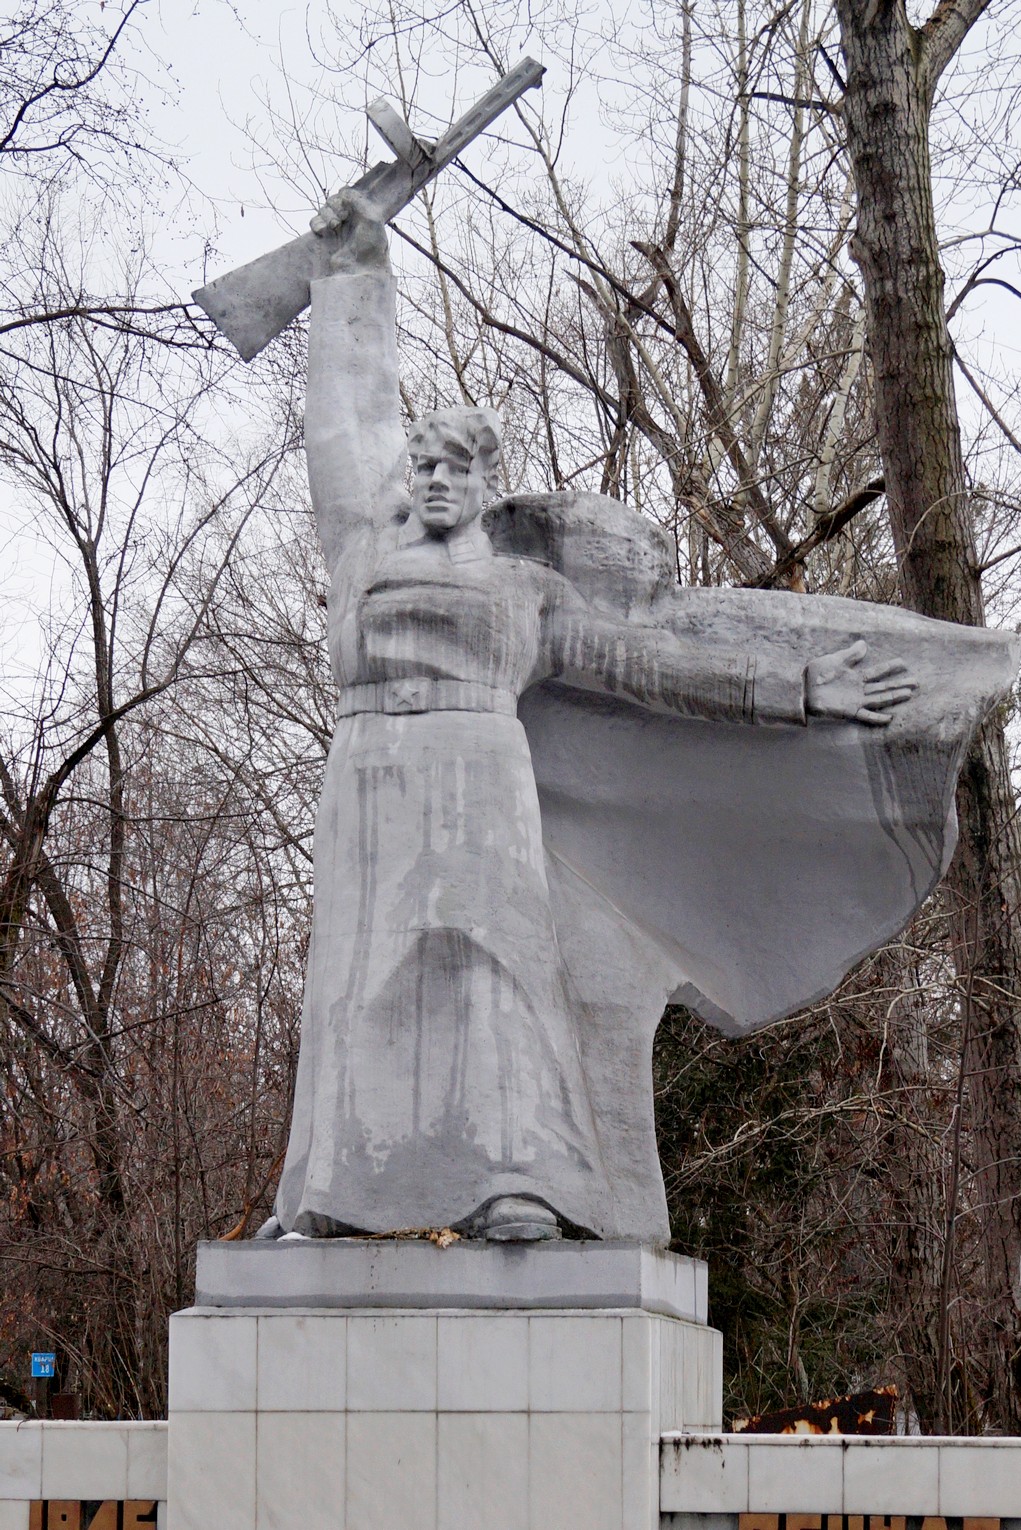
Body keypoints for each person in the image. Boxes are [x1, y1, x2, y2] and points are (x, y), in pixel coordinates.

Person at [269, 189, 923, 1243]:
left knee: (496, 968)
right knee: (361, 977)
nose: (431, 480)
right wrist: (351, 276)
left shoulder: (525, 593)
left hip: (481, 775)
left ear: (486, 485)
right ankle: (341, 1196)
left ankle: (519, 1186)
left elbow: (646, 668)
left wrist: (797, 690)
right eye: (420, 465)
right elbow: (346, 420)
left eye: (453, 469)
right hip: (371, 776)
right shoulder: (364, 555)